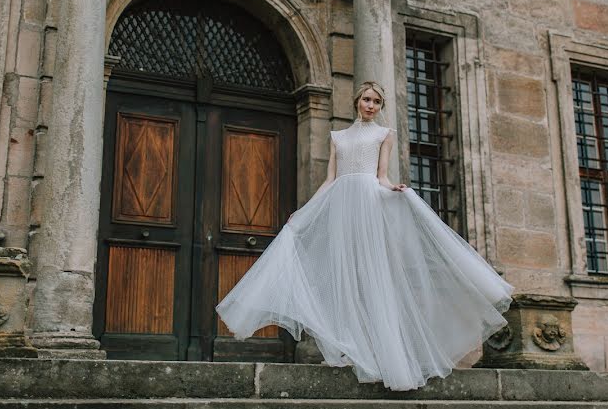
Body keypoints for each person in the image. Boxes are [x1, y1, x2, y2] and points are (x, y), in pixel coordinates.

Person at [216, 81, 513, 391]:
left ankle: (375, 350)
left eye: (376, 102)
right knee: (343, 275)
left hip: (368, 206)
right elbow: (330, 180)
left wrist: (393, 189)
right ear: (357, 101)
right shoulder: (338, 137)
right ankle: (347, 348)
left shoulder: (384, 135)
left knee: (371, 275)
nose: (371, 105)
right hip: (342, 207)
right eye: (367, 100)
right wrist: (305, 211)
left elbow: (381, 176)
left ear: (380, 107)